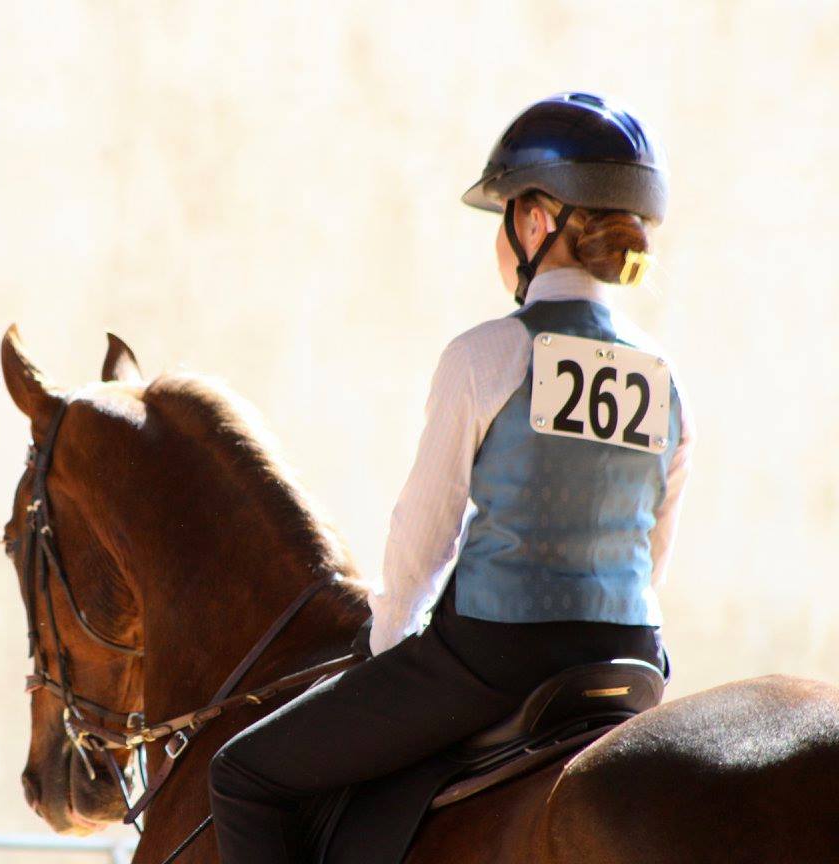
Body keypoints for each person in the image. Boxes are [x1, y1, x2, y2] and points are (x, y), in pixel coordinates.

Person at [207, 91, 696, 863]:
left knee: (242, 773)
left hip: (496, 656)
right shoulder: (664, 378)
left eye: (505, 214)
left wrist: (389, 650)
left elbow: (422, 536)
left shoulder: (486, 355)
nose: (500, 238)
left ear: (536, 222)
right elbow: (653, 544)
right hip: (632, 656)